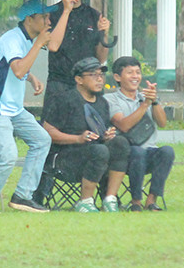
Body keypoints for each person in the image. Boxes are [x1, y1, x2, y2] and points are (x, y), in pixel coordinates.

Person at [0, 0, 54, 213]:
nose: (48, 21)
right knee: (8, 155)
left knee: (42, 140)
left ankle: (22, 196)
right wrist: (37, 46)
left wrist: (31, 77)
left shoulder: (29, 38)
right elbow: (17, 69)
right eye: (44, 17)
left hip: (13, 110)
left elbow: (15, 69)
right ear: (29, 19)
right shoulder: (12, 39)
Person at [43, 57, 131, 212]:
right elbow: (47, 132)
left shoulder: (102, 102)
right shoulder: (64, 100)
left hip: (95, 159)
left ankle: (110, 198)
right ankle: (85, 201)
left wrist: (106, 136)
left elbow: (99, 134)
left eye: (101, 75)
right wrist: (77, 138)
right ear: (79, 79)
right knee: (100, 150)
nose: (99, 79)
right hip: (65, 160)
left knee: (120, 143)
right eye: (93, 75)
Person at [105, 56, 174, 211]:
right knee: (137, 152)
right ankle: (136, 201)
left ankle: (151, 200)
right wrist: (145, 105)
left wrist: (154, 101)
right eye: (130, 73)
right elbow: (124, 125)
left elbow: (162, 123)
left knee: (167, 151)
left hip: (149, 152)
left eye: (138, 72)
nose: (135, 76)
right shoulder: (111, 99)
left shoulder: (147, 97)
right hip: (124, 156)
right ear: (117, 77)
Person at [43, 0, 111, 106]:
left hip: (86, 81)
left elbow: (101, 58)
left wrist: (104, 34)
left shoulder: (93, 15)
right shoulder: (53, 13)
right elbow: (53, 46)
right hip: (60, 80)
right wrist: (66, 11)